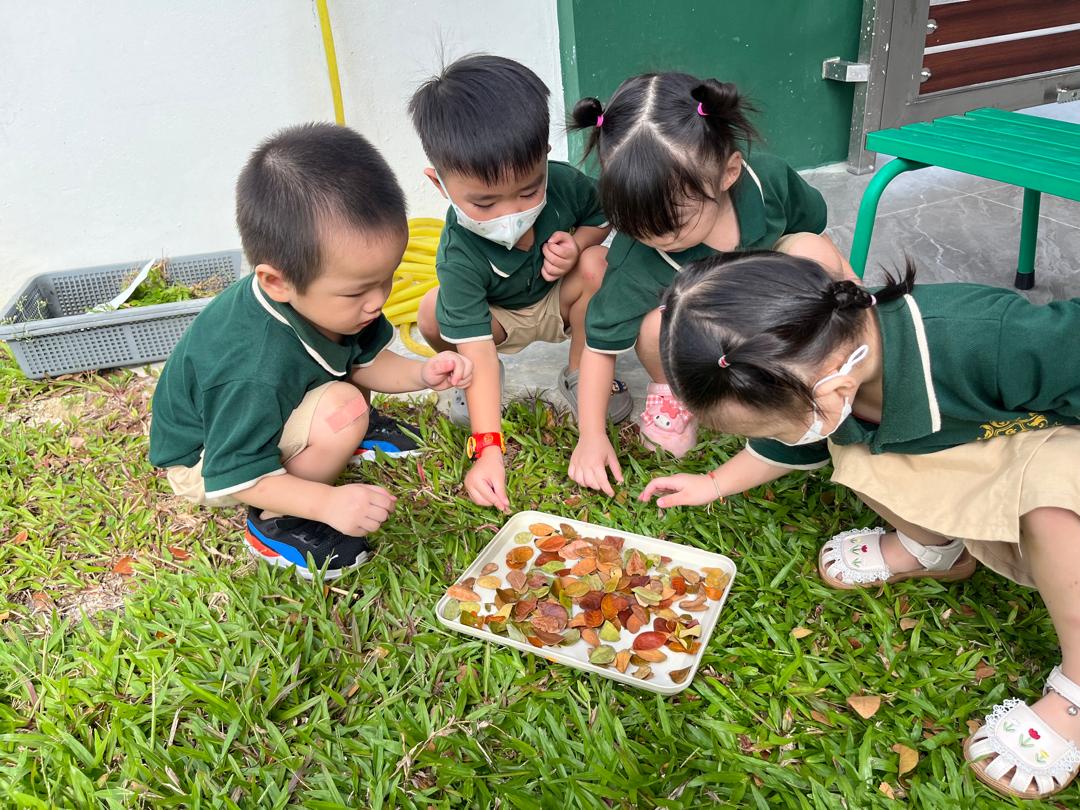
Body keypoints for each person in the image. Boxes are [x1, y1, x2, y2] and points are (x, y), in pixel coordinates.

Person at [642, 251, 1080, 800]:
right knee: (856, 450)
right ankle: (934, 548)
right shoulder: (824, 361)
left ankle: (1077, 689)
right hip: (977, 447)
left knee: (1053, 495)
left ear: (829, 393)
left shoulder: (990, 336)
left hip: (1053, 447)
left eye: (777, 421)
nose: (780, 433)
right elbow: (788, 438)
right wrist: (712, 483)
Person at [150, 123, 473, 579]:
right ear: (277, 282)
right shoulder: (251, 367)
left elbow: (368, 360)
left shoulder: (329, 297)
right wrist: (328, 502)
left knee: (346, 391)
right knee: (344, 408)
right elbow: (239, 471)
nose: (378, 301)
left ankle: (325, 435)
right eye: (358, 291)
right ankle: (275, 521)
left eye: (387, 278)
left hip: (260, 408)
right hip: (211, 459)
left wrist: (423, 373)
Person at [565, 72, 852, 496]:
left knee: (811, 250)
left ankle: (826, 362)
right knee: (651, 327)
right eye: (635, 222)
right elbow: (598, 348)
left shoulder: (767, 181)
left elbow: (816, 233)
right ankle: (675, 395)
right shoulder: (638, 258)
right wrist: (591, 436)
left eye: (673, 221)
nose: (655, 236)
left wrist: (858, 298)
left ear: (728, 172)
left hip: (766, 306)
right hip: (701, 334)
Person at [410, 54, 628, 512]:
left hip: (559, 298)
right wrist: (489, 448)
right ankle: (469, 387)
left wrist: (576, 242)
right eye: (485, 202)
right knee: (432, 312)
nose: (510, 213)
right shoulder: (458, 254)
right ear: (440, 184)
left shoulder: (567, 184)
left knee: (598, 264)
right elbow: (478, 349)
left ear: (545, 159)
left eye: (529, 191)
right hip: (498, 323)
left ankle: (580, 373)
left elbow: (599, 220)